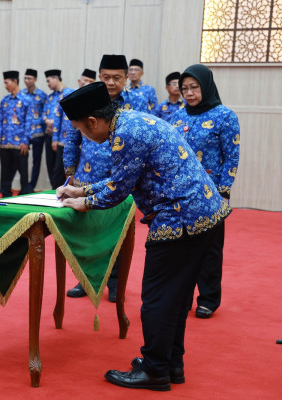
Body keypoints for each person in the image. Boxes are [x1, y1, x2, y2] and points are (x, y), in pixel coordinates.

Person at [57, 82, 231, 391]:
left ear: (94, 122)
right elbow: (124, 176)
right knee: (175, 298)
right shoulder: (131, 119)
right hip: (204, 213)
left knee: (157, 299)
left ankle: (154, 370)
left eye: (82, 130)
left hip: (181, 218)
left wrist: (83, 202)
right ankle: (170, 364)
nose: (84, 136)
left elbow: (119, 189)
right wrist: (82, 189)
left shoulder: (126, 133)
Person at [66, 54, 149, 299]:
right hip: (88, 177)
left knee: (119, 233)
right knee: (88, 234)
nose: (111, 82)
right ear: (99, 76)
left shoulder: (138, 101)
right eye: (106, 77)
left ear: (126, 77)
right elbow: (72, 136)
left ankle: (115, 283)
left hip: (122, 178)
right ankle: (86, 279)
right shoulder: (88, 98)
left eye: (116, 77)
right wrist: (70, 170)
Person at [171, 64, 240, 319]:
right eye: (184, 88)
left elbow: (231, 157)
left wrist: (224, 192)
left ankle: (209, 298)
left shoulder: (225, 116)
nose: (189, 93)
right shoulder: (178, 116)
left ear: (206, 87)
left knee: (209, 248)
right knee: (180, 246)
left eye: (194, 87)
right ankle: (182, 296)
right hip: (180, 193)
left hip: (211, 194)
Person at [0, 70, 32, 197]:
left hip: (20, 144)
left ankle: (24, 196)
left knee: (23, 173)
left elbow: (29, 122)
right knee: (5, 172)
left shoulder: (26, 100)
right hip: (5, 143)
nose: (5, 86)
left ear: (14, 81)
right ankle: (5, 195)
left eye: (7, 83)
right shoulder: (5, 100)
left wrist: (25, 141)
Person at [43, 69, 73, 188]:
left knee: (59, 169)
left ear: (56, 78)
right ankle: (53, 189)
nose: (48, 84)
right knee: (50, 165)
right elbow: (43, 113)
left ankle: (60, 190)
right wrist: (46, 120)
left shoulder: (68, 93)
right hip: (49, 135)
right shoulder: (49, 97)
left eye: (48, 81)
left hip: (62, 138)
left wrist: (54, 122)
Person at [22, 68, 47, 192]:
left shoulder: (42, 95)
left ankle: (32, 186)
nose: (27, 81)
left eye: (29, 78)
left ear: (35, 80)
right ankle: (24, 184)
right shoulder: (21, 94)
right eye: (25, 78)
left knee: (36, 161)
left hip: (38, 133)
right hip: (25, 134)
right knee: (22, 160)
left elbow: (46, 112)